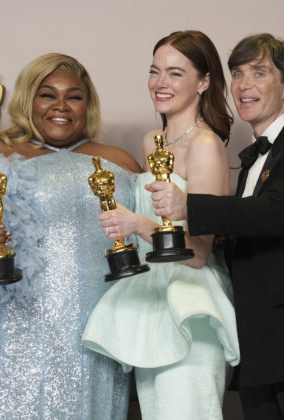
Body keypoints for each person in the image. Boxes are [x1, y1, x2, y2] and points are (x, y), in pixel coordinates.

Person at [148, 33, 284, 420]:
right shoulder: (254, 158)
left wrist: (188, 205)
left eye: (259, 73)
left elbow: (275, 213)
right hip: (260, 349)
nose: (244, 85)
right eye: (237, 74)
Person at [0, 52, 141, 419]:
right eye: (47, 94)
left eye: (74, 96)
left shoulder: (119, 161)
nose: (61, 105)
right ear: (28, 99)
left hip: (95, 336)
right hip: (6, 336)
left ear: (88, 105)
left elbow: (153, 238)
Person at [82, 31, 240, 419]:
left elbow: (198, 253)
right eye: (155, 72)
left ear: (203, 82)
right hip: (150, 301)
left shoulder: (206, 145)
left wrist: (137, 224)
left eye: (175, 73)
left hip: (191, 305)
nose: (160, 83)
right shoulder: (153, 141)